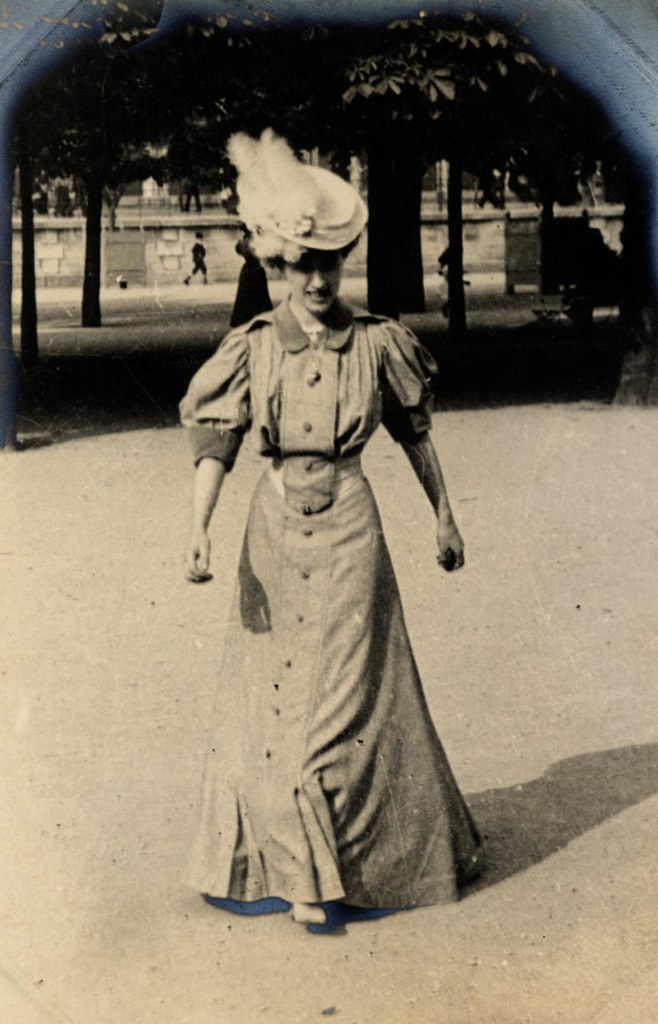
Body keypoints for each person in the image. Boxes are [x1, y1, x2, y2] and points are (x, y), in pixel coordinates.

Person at [179, 129, 482, 930]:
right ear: (277, 264)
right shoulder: (251, 349)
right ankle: (291, 865)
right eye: (301, 264)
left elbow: (415, 431)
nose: (317, 279)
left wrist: (444, 514)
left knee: (343, 704)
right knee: (274, 703)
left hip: (352, 528)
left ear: (345, 262)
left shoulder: (378, 342)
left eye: (330, 263)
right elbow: (218, 442)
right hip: (273, 533)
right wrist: (200, 528)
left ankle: (333, 871)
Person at [229, 226, 273, 328]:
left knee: (253, 297)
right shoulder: (249, 242)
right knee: (255, 297)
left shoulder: (250, 241)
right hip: (253, 270)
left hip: (252, 270)